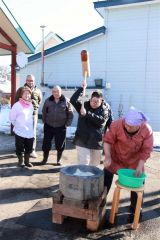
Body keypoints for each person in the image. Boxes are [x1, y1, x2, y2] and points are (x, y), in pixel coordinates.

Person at [103, 106, 153, 216]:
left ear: (139, 125)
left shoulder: (147, 130)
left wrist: (140, 165)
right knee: (104, 179)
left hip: (134, 162)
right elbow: (107, 141)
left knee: (138, 184)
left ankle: (136, 208)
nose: (127, 127)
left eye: (131, 126)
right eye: (126, 124)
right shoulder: (116, 124)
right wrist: (108, 157)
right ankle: (100, 202)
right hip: (115, 158)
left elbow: (146, 150)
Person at [70, 81, 112, 166]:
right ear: (90, 99)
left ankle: (91, 179)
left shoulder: (105, 109)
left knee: (94, 166)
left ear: (101, 101)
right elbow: (73, 100)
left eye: (97, 102)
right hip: (82, 140)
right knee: (84, 164)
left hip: (96, 142)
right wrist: (81, 88)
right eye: (93, 101)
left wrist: (87, 114)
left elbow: (101, 122)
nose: (94, 103)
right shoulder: (84, 105)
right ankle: (82, 179)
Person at [39, 86, 73, 165]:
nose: (56, 93)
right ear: (52, 92)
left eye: (57, 91)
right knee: (46, 144)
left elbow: (70, 114)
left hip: (61, 127)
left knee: (60, 144)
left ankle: (58, 160)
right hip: (49, 126)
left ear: (61, 92)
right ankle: (45, 159)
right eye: (54, 91)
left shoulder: (66, 101)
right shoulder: (48, 101)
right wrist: (45, 121)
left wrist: (67, 124)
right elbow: (44, 112)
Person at [15, 74, 42, 158]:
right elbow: (16, 101)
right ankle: (21, 150)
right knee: (21, 131)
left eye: (32, 80)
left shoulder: (38, 90)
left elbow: (39, 101)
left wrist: (33, 104)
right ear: (26, 81)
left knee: (32, 132)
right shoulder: (20, 89)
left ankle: (31, 150)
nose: (31, 82)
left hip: (33, 114)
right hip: (22, 114)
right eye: (29, 80)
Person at [10, 87, 34, 167]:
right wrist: (17, 125)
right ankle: (21, 160)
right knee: (19, 147)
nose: (27, 95)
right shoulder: (17, 105)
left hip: (29, 131)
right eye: (25, 93)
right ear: (21, 94)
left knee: (29, 147)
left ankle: (27, 161)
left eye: (28, 93)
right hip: (20, 131)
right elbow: (12, 118)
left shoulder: (31, 105)